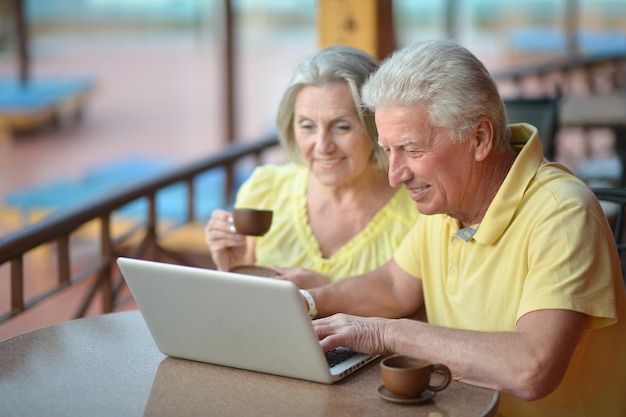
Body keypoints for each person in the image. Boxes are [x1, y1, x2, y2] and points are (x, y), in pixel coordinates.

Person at [306, 40, 626, 417]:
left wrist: (383, 333)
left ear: (479, 138)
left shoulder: (563, 214)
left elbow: (532, 368)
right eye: (388, 150)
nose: (395, 175)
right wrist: (308, 301)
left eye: (411, 149)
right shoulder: (448, 203)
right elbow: (393, 284)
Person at [205, 45, 419, 289]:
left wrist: (325, 291)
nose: (322, 146)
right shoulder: (265, 188)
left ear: (377, 126)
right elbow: (243, 305)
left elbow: (421, 317)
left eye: (342, 127)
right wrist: (231, 268)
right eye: (307, 126)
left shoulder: (417, 212)